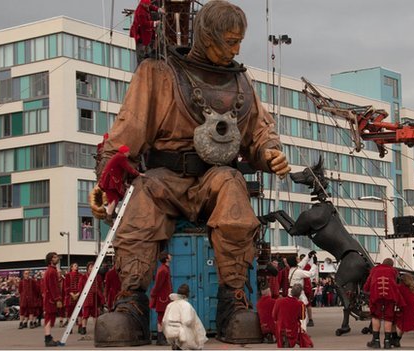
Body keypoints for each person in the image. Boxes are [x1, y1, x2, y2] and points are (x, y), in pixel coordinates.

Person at [91, 1, 291, 346]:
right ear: (206, 35)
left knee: (233, 190)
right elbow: (127, 133)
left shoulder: (242, 81)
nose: (237, 49)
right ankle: (131, 304)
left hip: (214, 177)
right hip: (163, 178)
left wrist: (269, 153)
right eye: (229, 41)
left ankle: (232, 302)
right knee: (140, 208)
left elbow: (260, 132)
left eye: (239, 41)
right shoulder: (157, 73)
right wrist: (105, 182)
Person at [363, 258, 401, 349]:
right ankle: (387, 342)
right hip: (390, 296)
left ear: (382, 263)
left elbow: (367, 285)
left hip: (376, 296)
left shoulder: (374, 270)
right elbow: (397, 283)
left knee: (376, 316)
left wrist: (366, 290)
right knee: (389, 317)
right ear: (391, 265)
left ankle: (376, 342)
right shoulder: (394, 271)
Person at [98, 145, 144, 220]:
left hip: (110, 179)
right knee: (113, 198)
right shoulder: (121, 157)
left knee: (115, 197)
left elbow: (121, 171)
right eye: (128, 151)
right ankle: (109, 216)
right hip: (111, 180)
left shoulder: (117, 156)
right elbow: (128, 168)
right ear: (124, 152)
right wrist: (139, 173)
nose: (129, 153)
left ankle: (111, 213)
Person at [162, 284, 208, 350]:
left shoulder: (170, 305)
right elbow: (187, 321)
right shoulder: (186, 305)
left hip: (170, 332)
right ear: (188, 294)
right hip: (183, 334)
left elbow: (164, 321)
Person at [392, 272, 414, 347]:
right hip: (413, 307)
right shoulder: (411, 287)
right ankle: (397, 339)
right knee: (403, 325)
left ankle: (395, 339)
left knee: (397, 323)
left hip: (406, 307)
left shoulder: (400, 287)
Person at [272, 284, 311, 348]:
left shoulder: (279, 301)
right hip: (292, 329)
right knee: (305, 339)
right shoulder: (300, 304)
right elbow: (303, 317)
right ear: (300, 294)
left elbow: (274, 316)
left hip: (280, 327)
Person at [288, 252, 317, 330]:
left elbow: (301, 264)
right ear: (295, 261)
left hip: (292, 292)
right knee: (302, 314)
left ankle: (296, 331)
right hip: (298, 294)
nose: (298, 259)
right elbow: (311, 273)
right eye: (297, 259)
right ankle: (302, 331)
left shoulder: (292, 270)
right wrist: (314, 264)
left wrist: (308, 256)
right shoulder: (298, 272)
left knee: (293, 314)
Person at [150, 251, 173, 346]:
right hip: (162, 298)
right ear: (166, 258)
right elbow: (157, 285)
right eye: (169, 255)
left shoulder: (165, 269)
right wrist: (153, 295)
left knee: (163, 318)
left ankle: (162, 338)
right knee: (161, 318)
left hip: (164, 297)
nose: (171, 255)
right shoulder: (163, 270)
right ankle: (160, 339)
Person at [129, 0, 162, 65]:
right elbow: (144, 24)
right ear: (143, 4)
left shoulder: (145, 5)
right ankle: (142, 66)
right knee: (141, 53)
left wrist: (158, 9)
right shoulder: (140, 12)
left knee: (148, 49)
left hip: (146, 33)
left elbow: (150, 6)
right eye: (147, 5)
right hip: (141, 34)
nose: (148, 6)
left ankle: (148, 60)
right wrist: (154, 23)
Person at [42, 252, 63, 347]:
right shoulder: (51, 271)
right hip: (51, 299)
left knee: (50, 318)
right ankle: (47, 338)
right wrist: (57, 299)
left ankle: (49, 337)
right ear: (51, 260)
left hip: (49, 298)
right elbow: (53, 286)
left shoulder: (50, 270)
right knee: (49, 318)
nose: (57, 258)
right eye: (55, 257)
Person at [77, 262, 104, 335]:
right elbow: (80, 288)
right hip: (87, 298)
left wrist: (101, 298)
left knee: (95, 315)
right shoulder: (83, 277)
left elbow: (100, 288)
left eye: (93, 267)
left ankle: (96, 329)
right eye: (91, 267)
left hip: (95, 298)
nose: (92, 268)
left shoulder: (98, 277)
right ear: (88, 268)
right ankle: (83, 328)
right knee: (85, 315)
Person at [63, 263, 81, 331]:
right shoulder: (68, 275)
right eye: (75, 265)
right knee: (69, 312)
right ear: (71, 267)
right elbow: (66, 286)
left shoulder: (80, 275)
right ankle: (70, 328)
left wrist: (78, 294)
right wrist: (72, 294)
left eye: (77, 265)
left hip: (79, 295)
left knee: (80, 312)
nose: (76, 266)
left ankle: (80, 326)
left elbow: (82, 285)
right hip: (70, 296)